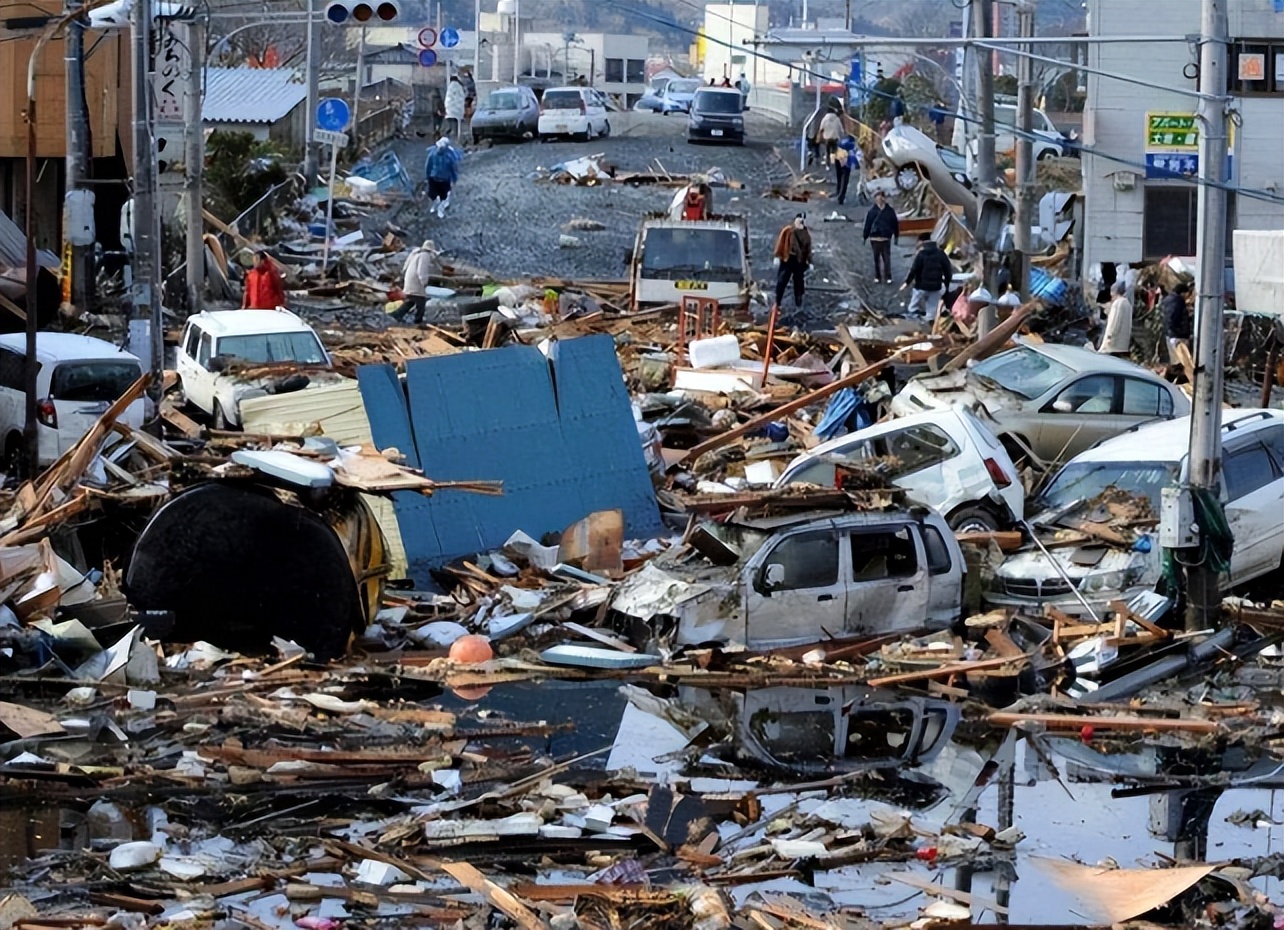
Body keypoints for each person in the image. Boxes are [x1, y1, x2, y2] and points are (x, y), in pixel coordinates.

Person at [900, 233, 954, 320]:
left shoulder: (921, 254)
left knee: (913, 305)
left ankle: (912, 317)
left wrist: (907, 282)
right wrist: (946, 284)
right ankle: (929, 321)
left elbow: (914, 270)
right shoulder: (941, 254)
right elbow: (948, 270)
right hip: (936, 286)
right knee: (932, 308)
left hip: (921, 286)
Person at [772, 214, 812, 311]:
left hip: (799, 260)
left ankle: (798, 302)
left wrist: (809, 261)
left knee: (799, 281)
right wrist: (777, 255)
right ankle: (777, 302)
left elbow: (808, 248)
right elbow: (780, 242)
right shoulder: (788, 230)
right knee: (782, 280)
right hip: (787, 258)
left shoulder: (805, 233)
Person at [392, 241, 438, 324]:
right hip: (416, 281)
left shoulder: (416, 253)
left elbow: (405, 266)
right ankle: (418, 320)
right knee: (421, 302)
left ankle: (396, 315)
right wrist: (424, 282)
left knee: (411, 300)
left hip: (410, 279)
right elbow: (421, 270)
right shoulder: (425, 256)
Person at [862, 191, 899, 284]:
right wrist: (865, 236)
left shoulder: (889, 211)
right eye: (878, 198)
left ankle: (888, 276)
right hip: (875, 238)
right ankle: (878, 276)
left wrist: (896, 235)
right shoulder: (872, 212)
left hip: (885, 237)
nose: (880, 200)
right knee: (876, 258)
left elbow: (895, 224)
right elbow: (868, 224)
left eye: (881, 198)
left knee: (886, 258)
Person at [424, 136, 459, 218]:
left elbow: (453, 168)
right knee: (432, 194)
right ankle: (435, 204)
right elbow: (428, 166)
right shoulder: (432, 154)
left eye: (442, 147)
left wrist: (454, 179)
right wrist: (427, 176)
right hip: (433, 178)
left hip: (444, 179)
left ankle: (441, 209)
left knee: (444, 196)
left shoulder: (449, 157)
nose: (440, 149)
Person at [1162, 280, 1192, 370]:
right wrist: (1179, 331)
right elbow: (1173, 317)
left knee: (1175, 362)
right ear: (1183, 293)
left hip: (1170, 334)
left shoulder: (1168, 300)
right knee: (1182, 363)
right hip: (1178, 336)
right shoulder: (1178, 301)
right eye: (1187, 294)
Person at [1098, 281, 1133, 357]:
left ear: (1114, 291)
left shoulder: (1117, 303)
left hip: (1113, 345)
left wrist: (1109, 338)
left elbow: (1114, 323)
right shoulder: (1127, 304)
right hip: (1123, 345)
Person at [833, 135, 860, 206]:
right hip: (845, 162)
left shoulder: (841, 142)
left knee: (839, 177)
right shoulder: (852, 145)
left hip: (838, 159)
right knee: (844, 180)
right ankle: (841, 197)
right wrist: (856, 165)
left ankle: (838, 191)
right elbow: (853, 157)